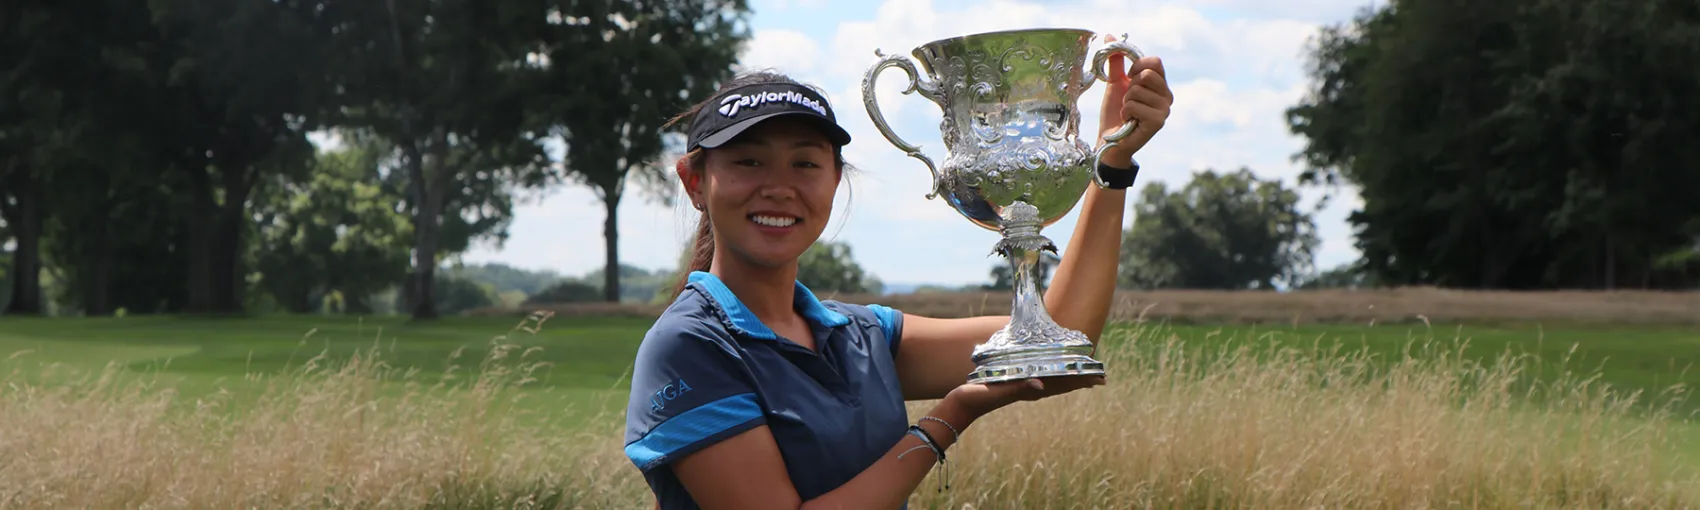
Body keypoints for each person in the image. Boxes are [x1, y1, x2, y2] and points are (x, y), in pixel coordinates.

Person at [622, 40, 1173, 510]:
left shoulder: (860, 335)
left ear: (835, 182)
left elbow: (1061, 334)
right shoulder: (690, 344)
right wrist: (950, 416)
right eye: (748, 162)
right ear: (695, 182)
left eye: (805, 163)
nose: (778, 186)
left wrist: (1112, 160)